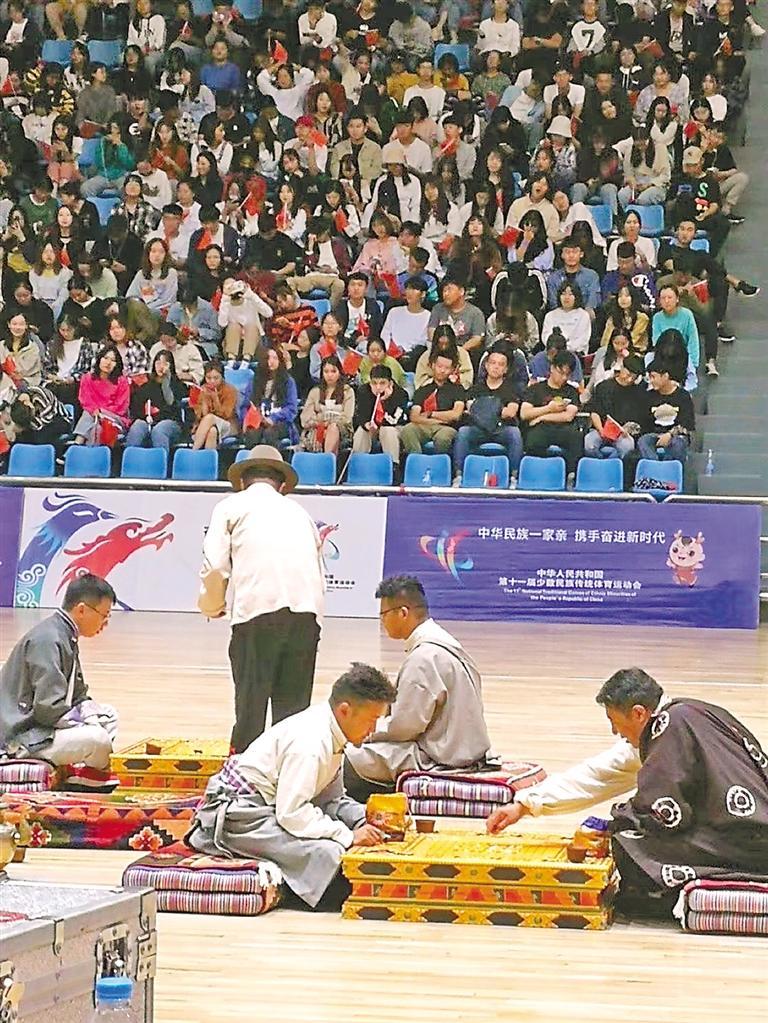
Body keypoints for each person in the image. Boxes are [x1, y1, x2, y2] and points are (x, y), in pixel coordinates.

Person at [487, 668, 768, 912]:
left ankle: (656, 903)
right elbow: (599, 773)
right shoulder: (690, 713)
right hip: (751, 825)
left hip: (747, 838)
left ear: (638, 713)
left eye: (613, 721)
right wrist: (524, 805)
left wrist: (612, 827)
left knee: (628, 843)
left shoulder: (668, 731)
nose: (615, 731)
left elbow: (665, 815)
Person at [187, 663, 396, 909]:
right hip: (243, 814)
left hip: (274, 806)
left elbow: (331, 801)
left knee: (336, 837)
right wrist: (348, 836)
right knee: (327, 853)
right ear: (344, 710)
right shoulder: (311, 743)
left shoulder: (334, 731)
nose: (373, 731)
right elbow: (291, 814)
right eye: (372, 720)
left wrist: (369, 817)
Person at [198, 445, 325, 752]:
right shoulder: (301, 513)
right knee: (293, 717)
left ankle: (244, 773)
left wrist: (212, 606)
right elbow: (320, 573)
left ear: (243, 481)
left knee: (250, 712)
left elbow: (214, 566)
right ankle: (290, 773)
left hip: (257, 613)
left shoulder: (230, 506)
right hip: (307, 615)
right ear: (281, 485)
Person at [344, 576, 492, 800]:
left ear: (403, 613)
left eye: (384, 614)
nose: (382, 621)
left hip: (439, 757)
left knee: (347, 759)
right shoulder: (446, 642)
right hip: (461, 749)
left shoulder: (423, 658)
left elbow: (404, 727)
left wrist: (361, 731)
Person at [0, 574, 117, 775]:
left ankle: (84, 772)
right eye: (104, 615)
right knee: (98, 739)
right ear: (82, 609)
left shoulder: (63, 633)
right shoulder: (49, 640)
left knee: (109, 715)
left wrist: (91, 715)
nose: (105, 623)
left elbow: (78, 694)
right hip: (21, 738)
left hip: (39, 727)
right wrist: (84, 724)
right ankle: (87, 781)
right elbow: (48, 709)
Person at [453, 343, 524, 484]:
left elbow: (511, 412)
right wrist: (498, 408)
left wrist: (483, 407)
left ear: (506, 369)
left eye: (500, 364)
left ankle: (514, 476)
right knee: (463, 432)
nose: (496, 367)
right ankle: (459, 475)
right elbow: (470, 409)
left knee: (514, 433)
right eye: (493, 363)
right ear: (486, 365)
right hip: (478, 428)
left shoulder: (511, 389)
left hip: (501, 429)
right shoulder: (476, 389)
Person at [519, 349, 582, 479]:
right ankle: (535, 473)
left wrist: (542, 417)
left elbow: (568, 416)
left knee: (576, 437)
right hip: (541, 429)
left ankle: (571, 475)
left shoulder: (571, 391)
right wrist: (548, 408)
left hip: (563, 429)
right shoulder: (535, 389)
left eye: (567, 374)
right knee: (533, 440)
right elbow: (524, 413)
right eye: (561, 373)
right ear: (552, 368)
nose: (564, 378)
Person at [400, 350, 466, 457]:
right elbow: (414, 416)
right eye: (439, 366)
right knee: (408, 430)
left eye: (447, 368)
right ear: (433, 366)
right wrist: (438, 420)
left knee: (443, 437)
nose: (442, 370)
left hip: (446, 428)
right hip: (425, 426)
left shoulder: (458, 389)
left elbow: (456, 414)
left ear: (452, 370)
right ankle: (417, 461)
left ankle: (439, 464)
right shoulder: (423, 389)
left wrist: (430, 414)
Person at [584, 352, 646, 461]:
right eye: (628, 374)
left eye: (633, 377)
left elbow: (638, 420)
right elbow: (594, 412)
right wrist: (601, 430)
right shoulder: (603, 386)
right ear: (622, 368)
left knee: (628, 446)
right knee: (589, 443)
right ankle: (600, 463)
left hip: (622, 433)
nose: (629, 379)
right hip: (602, 429)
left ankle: (610, 464)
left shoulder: (638, 393)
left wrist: (628, 429)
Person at [352, 364, 409, 476]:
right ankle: (358, 466)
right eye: (374, 383)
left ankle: (393, 467)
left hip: (394, 427)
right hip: (373, 428)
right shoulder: (363, 391)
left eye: (382, 383)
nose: (378, 387)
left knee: (387, 431)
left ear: (390, 383)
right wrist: (366, 424)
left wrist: (385, 401)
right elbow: (360, 415)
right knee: (361, 432)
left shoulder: (401, 394)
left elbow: (393, 421)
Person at [637, 358, 696, 465]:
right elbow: (644, 422)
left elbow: (687, 423)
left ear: (665, 376)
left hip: (676, 435)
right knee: (643, 441)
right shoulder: (648, 396)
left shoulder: (683, 396)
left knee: (677, 443)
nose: (651, 381)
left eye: (653, 377)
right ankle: (655, 468)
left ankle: (669, 470)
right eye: (649, 377)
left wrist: (670, 434)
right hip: (654, 433)